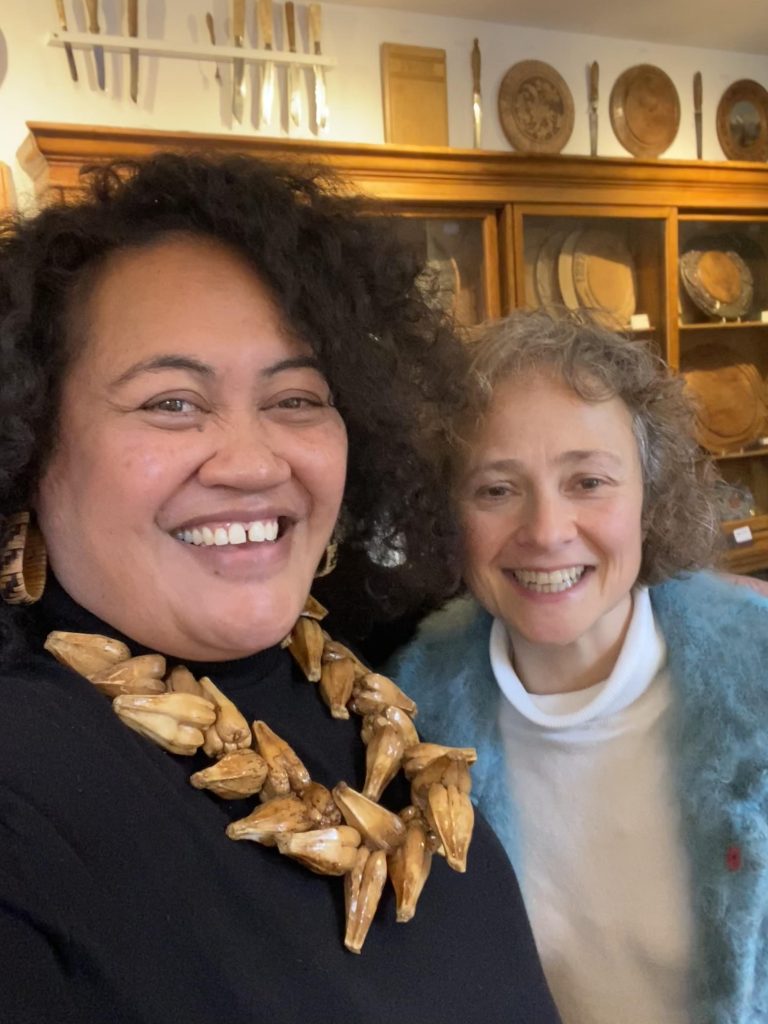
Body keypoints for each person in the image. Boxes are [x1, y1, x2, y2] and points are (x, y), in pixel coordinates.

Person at [0, 155, 561, 1024]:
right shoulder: (23, 796)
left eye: (296, 397)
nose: (255, 462)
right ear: (29, 440)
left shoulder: (361, 681)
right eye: (172, 403)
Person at [389, 310, 768, 1024]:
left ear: (649, 498)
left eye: (588, 481)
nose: (546, 532)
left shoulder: (760, 674)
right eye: (496, 489)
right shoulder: (403, 720)